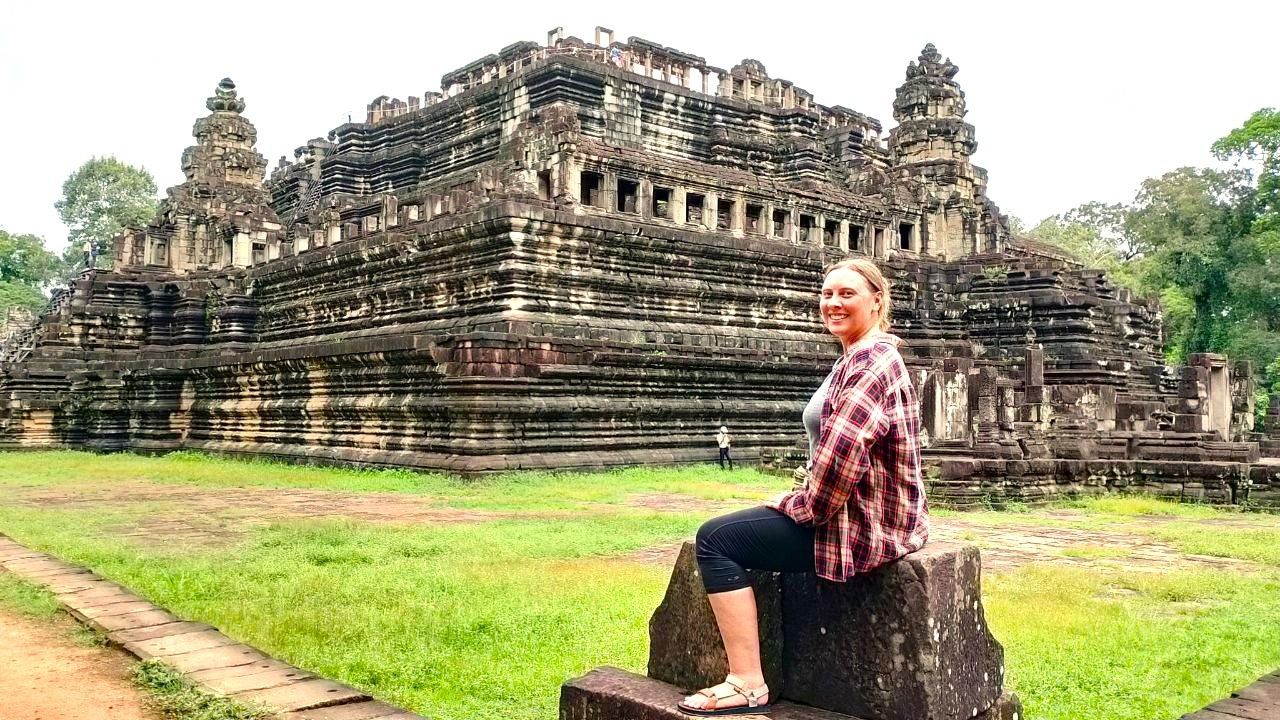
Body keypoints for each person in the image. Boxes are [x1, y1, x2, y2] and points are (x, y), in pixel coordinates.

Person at [677, 258, 929, 716]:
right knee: (747, 523)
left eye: (847, 294)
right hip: (866, 511)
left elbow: (840, 461)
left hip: (860, 523)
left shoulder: (871, 363)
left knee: (716, 540)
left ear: (877, 300)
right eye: (827, 294)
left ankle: (747, 682)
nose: (833, 303)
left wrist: (799, 505)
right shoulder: (861, 355)